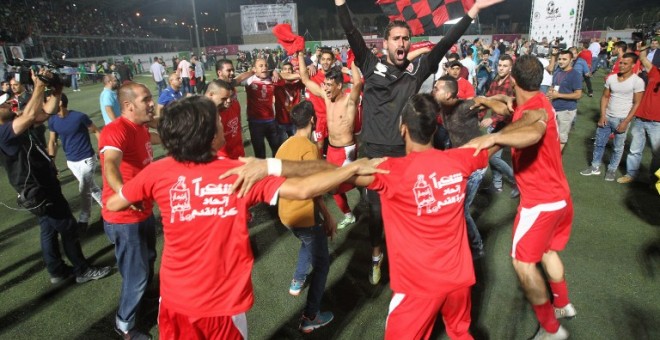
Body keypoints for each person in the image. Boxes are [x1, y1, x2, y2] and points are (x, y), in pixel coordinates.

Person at [105, 96, 385, 338]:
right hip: (223, 308)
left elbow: (115, 202)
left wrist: (136, 199)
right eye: (217, 119)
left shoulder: (159, 171)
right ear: (207, 133)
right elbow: (302, 190)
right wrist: (348, 170)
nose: (223, 121)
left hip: (175, 303)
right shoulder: (242, 172)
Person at [335, 0, 503, 284]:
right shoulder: (369, 64)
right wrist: (340, 3)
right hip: (375, 155)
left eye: (405, 38)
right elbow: (350, 28)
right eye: (396, 38)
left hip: (405, 155)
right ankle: (377, 256)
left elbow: (447, 41)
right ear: (386, 43)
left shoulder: (417, 71)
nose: (401, 42)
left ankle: (409, 256)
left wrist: (472, 12)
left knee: (410, 210)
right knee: (376, 212)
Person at [355, 94, 491, 338]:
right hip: (459, 278)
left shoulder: (390, 171)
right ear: (434, 128)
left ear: (402, 128)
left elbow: (335, 178)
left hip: (418, 286)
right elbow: (495, 144)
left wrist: (276, 169)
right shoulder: (459, 159)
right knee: (461, 333)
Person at [464, 55, 576, 340]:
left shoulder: (534, 113)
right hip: (561, 198)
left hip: (540, 202)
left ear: (513, 79)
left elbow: (531, 129)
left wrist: (493, 139)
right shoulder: (534, 100)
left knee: (523, 264)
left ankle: (552, 331)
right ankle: (562, 303)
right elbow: (509, 105)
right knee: (548, 251)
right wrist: (486, 100)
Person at [0, 72, 110, 285]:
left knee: (47, 228)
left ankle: (57, 270)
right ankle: (82, 269)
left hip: (42, 184)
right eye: (3, 104)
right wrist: (39, 86)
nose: (8, 104)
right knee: (68, 226)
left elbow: (45, 112)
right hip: (38, 188)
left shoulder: (13, 122)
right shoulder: (4, 132)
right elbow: (32, 115)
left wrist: (57, 90)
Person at [100, 82, 161, 340]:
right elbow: (110, 165)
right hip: (124, 218)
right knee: (135, 276)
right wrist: (125, 193)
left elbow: (163, 137)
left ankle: (143, 305)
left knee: (146, 263)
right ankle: (124, 324)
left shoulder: (140, 128)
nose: (151, 103)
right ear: (128, 105)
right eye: (146, 99)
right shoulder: (116, 130)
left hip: (143, 212)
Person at [275, 101, 336, 332]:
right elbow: (315, 190)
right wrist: (329, 216)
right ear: (312, 120)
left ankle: (297, 281)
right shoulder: (310, 149)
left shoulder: (285, 145)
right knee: (322, 265)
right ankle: (311, 317)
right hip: (304, 215)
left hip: (286, 214)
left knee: (307, 242)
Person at [298, 52, 363, 230]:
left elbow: (358, 83)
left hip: (347, 150)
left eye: (329, 85)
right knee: (337, 186)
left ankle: (363, 197)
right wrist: (300, 54)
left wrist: (352, 62)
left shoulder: (350, 100)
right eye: (325, 84)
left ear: (340, 85)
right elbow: (305, 79)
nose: (325, 88)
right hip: (332, 150)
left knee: (335, 186)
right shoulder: (326, 97)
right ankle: (350, 212)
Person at [580, 53, 645, 181]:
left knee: (617, 147)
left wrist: (626, 121)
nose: (621, 65)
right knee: (599, 143)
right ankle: (595, 167)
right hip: (608, 117)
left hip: (622, 118)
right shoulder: (612, 78)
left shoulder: (637, 81)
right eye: (621, 62)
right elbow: (605, 97)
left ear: (633, 65)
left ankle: (612, 170)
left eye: (625, 63)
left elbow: (637, 103)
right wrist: (602, 115)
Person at [47, 94, 102, 230]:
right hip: (71, 161)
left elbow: (95, 130)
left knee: (84, 189)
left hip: (87, 159)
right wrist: (51, 162)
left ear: (59, 102)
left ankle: (84, 219)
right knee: (92, 188)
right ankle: (108, 208)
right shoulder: (52, 120)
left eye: (50, 101)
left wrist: (102, 150)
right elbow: (52, 141)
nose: (47, 104)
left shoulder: (79, 117)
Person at [617, 44, 660, 184]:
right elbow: (643, 58)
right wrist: (643, 47)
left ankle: (654, 179)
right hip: (640, 118)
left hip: (657, 122)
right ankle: (631, 175)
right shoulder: (655, 72)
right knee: (635, 149)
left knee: (657, 154)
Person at [479, 54, 518, 196]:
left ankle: (517, 181)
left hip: (506, 125)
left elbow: (510, 109)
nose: (501, 68)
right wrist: (479, 116)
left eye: (505, 66)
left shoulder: (512, 84)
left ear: (510, 68)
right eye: (500, 65)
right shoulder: (495, 81)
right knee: (492, 156)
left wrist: (492, 119)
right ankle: (497, 184)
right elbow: (487, 100)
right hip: (496, 125)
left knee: (493, 156)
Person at [240, 58, 281, 159]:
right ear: (254, 69)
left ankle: (275, 173)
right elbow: (236, 80)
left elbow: (288, 75)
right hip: (255, 123)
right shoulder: (249, 80)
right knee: (260, 154)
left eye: (266, 65)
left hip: (271, 121)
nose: (264, 68)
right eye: (261, 66)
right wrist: (251, 72)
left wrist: (274, 71)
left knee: (277, 151)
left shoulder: (272, 79)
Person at [215, 59, 253, 159]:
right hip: (224, 144)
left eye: (233, 70)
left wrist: (253, 71)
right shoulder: (215, 90)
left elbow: (240, 78)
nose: (232, 73)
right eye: (228, 70)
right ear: (219, 72)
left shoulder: (231, 84)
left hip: (236, 137)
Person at [546, 49, 582, 152]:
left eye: (564, 59)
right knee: (550, 135)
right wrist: (550, 92)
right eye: (560, 59)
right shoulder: (558, 71)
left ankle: (554, 160)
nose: (561, 61)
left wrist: (558, 95)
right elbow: (554, 86)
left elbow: (578, 94)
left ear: (571, 60)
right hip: (554, 108)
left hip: (566, 110)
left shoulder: (575, 75)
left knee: (561, 138)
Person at [274, 61, 304, 139]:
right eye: (285, 69)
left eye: (289, 69)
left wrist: (311, 66)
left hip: (294, 120)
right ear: (281, 71)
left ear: (292, 71)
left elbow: (305, 75)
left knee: (296, 145)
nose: (287, 71)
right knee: (282, 146)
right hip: (281, 121)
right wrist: (273, 72)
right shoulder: (277, 82)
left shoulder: (297, 83)